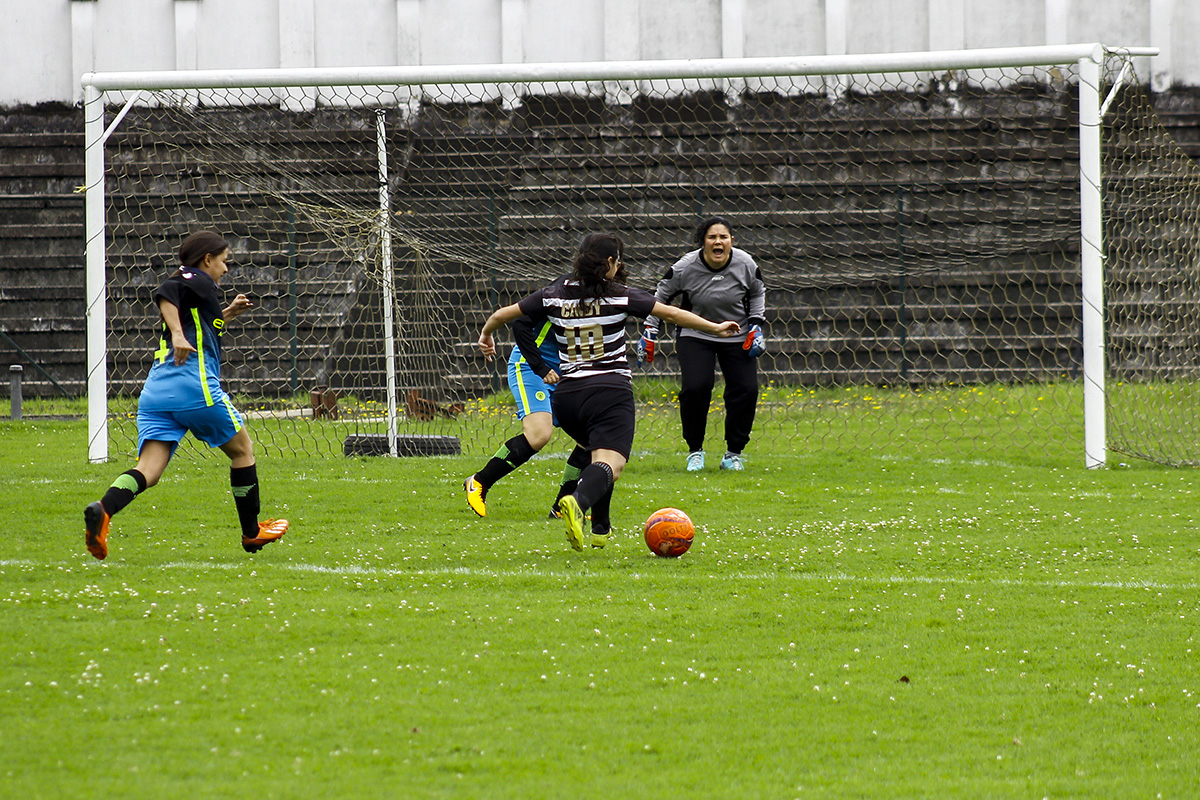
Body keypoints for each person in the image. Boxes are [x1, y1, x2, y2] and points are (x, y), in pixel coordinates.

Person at [477, 232, 740, 551]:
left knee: (595, 449)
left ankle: (601, 528)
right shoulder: (620, 295)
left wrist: (487, 335)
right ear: (612, 263)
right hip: (609, 392)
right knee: (609, 464)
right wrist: (715, 327)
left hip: (567, 396)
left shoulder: (554, 293)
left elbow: (503, 314)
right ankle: (575, 502)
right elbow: (669, 313)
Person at [83, 231, 289, 560]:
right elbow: (166, 291)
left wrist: (229, 313)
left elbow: (202, 325)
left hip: (157, 393)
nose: (226, 268)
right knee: (242, 450)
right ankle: (252, 533)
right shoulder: (195, 278)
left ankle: (103, 510)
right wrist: (178, 335)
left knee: (148, 470)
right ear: (207, 259)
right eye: (223, 261)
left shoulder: (199, 291)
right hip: (194, 387)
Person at [638, 216, 767, 472]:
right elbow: (661, 295)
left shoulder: (746, 263)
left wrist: (755, 324)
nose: (718, 241)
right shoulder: (685, 267)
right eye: (712, 237)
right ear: (702, 242)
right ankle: (695, 451)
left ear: (732, 240)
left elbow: (757, 290)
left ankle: (733, 454)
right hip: (695, 334)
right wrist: (650, 328)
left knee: (746, 389)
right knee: (697, 387)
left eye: (723, 237)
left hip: (736, 334)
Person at [463, 313, 592, 519]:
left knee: (589, 437)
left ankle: (561, 508)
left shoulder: (609, 296)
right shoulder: (558, 293)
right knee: (539, 434)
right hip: (531, 366)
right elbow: (510, 315)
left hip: (567, 372)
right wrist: (486, 333)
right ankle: (479, 481)